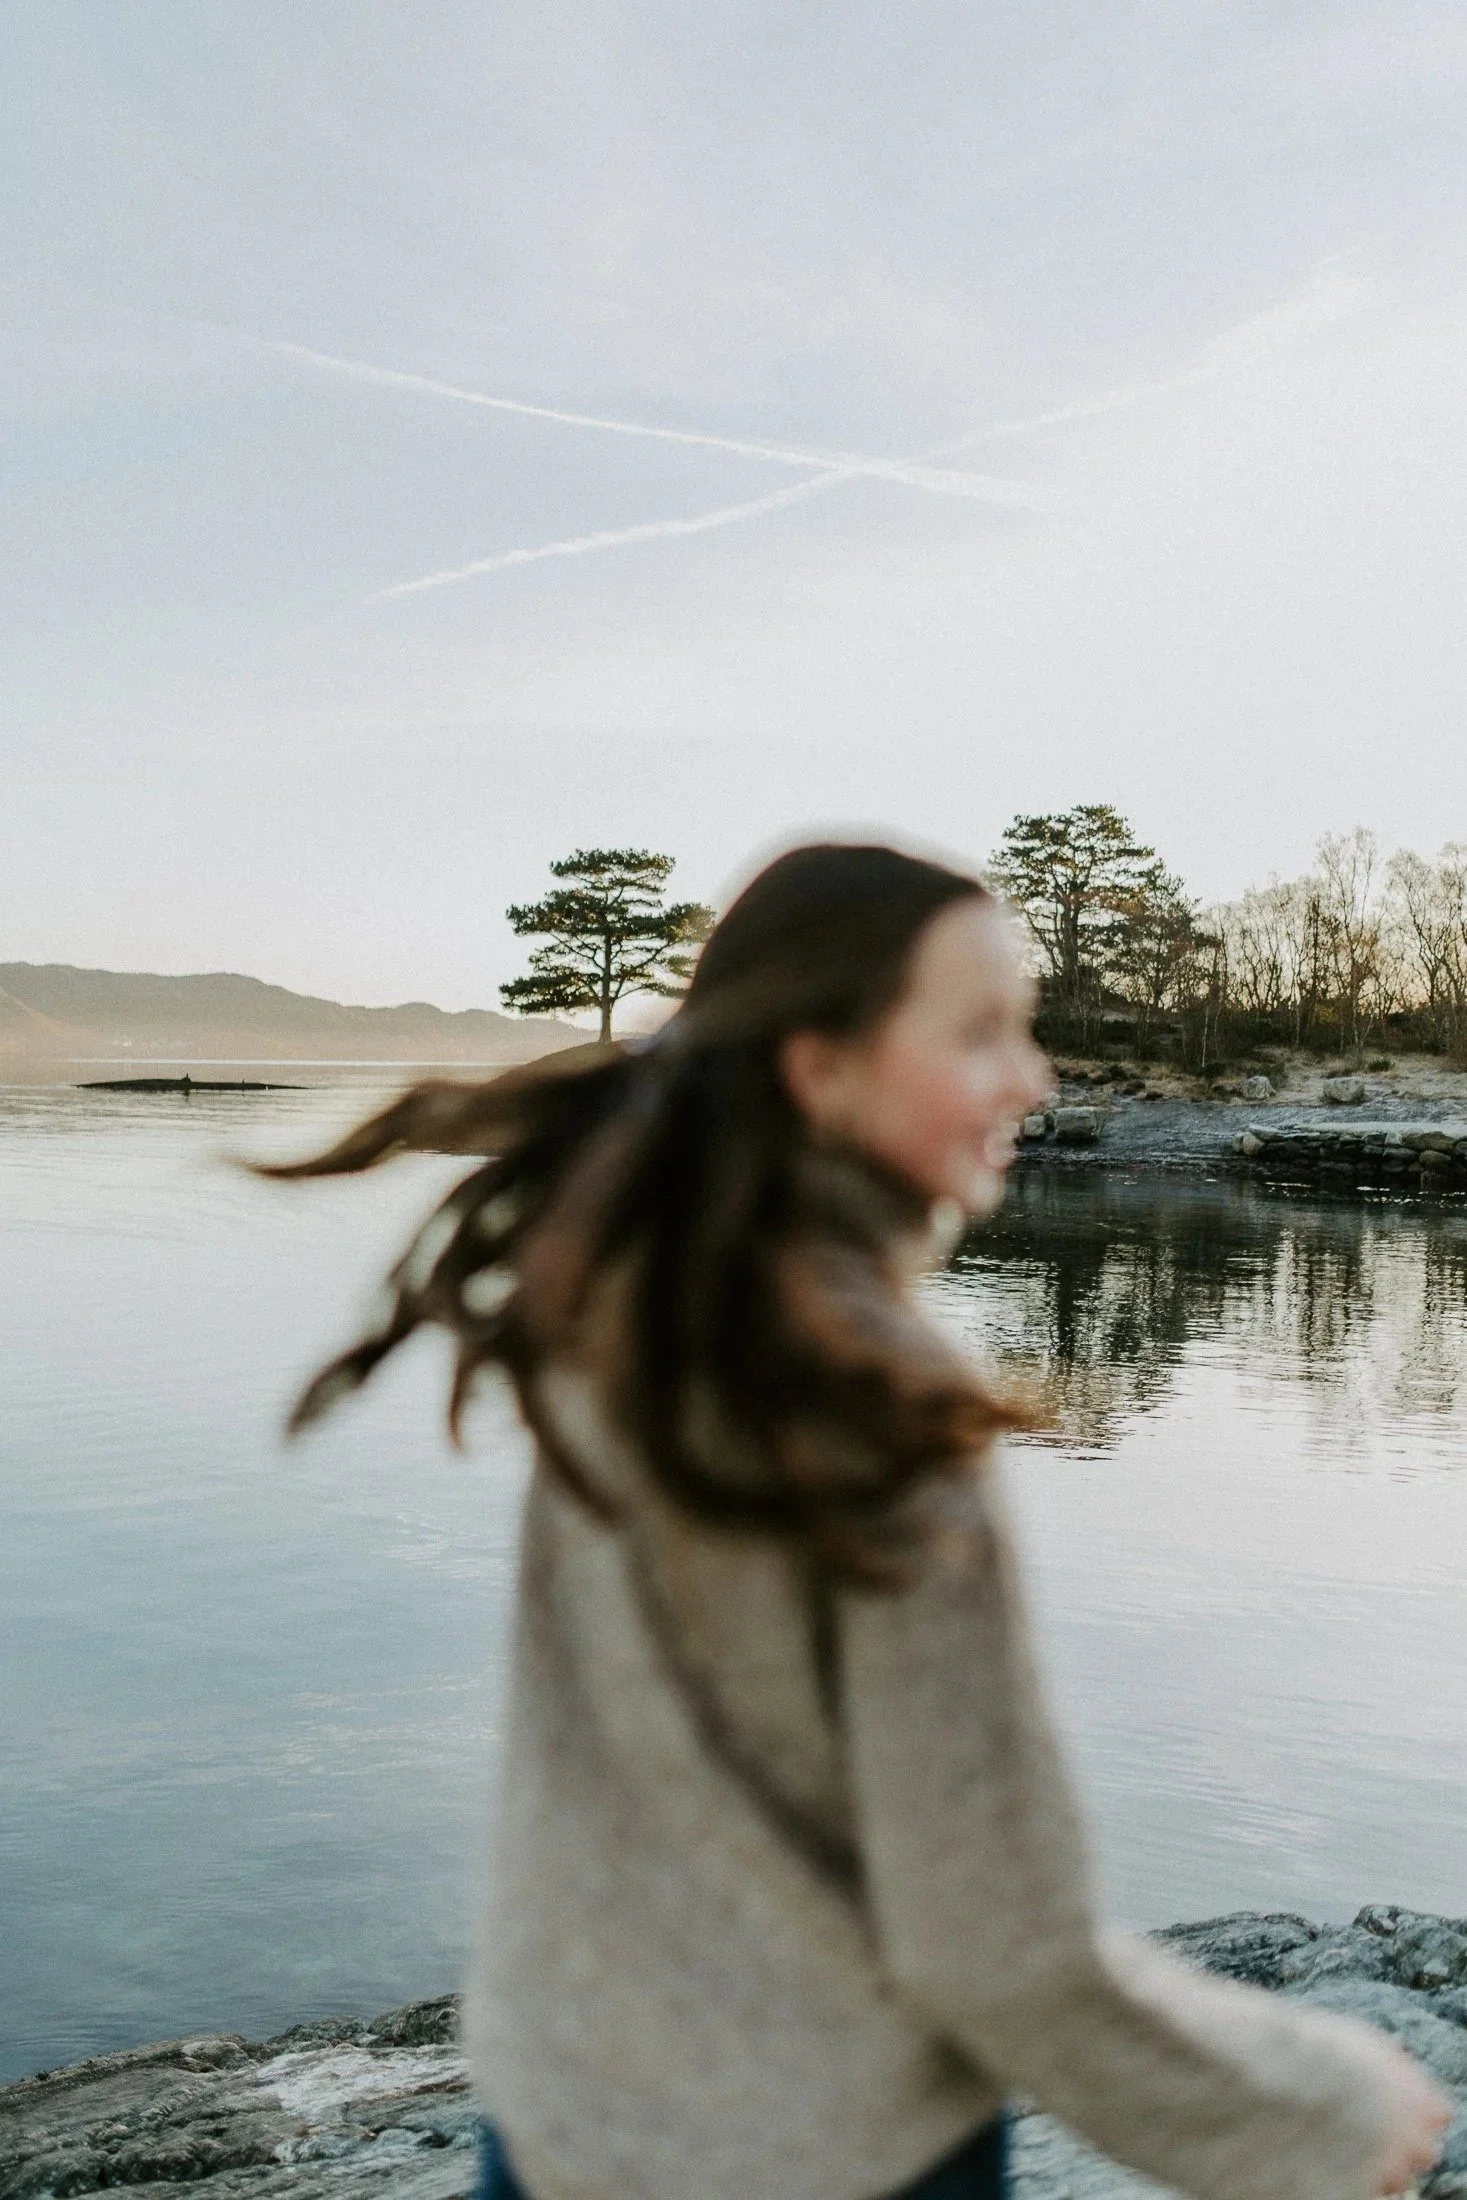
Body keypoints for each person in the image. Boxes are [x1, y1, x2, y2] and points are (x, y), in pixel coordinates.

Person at [262, 843, 1450, 2200]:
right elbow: (996, 1947)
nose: (1035, 1078)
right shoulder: (878, 1411)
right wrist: (1319, 2111)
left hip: (560, 2122)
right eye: (980, 1032)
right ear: (817, 1066)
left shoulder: (624, 1307)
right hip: (824, 2154)